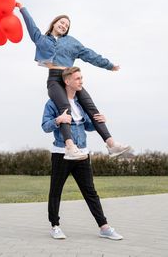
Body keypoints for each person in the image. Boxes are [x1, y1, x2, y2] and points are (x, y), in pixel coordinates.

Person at [16, 3, 130, 159]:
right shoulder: (42, 40)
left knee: (91, 108)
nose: (63, 26)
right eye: (61, 22)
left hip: (70, 77)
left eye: (66, 25)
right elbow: (31, 26)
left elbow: (89, 54)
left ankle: (112, 145)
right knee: (64, 108)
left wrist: (109, 66)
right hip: (55, 79)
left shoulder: (71, 42)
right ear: (54, 23)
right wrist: (22, 9)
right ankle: (70, 147)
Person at [42, 66, 123, 240]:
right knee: (56, 191)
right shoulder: (53, 103)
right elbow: (45, 126)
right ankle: (55, 226)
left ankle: (104, 227)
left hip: (82, 154)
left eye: (81, 78)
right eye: (78, 78)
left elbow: (86, 126)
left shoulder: (80, 103)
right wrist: (58, 120)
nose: (81, 81)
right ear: (67, 81)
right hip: (61, 153)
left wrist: (100, 121)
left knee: (90, 192)